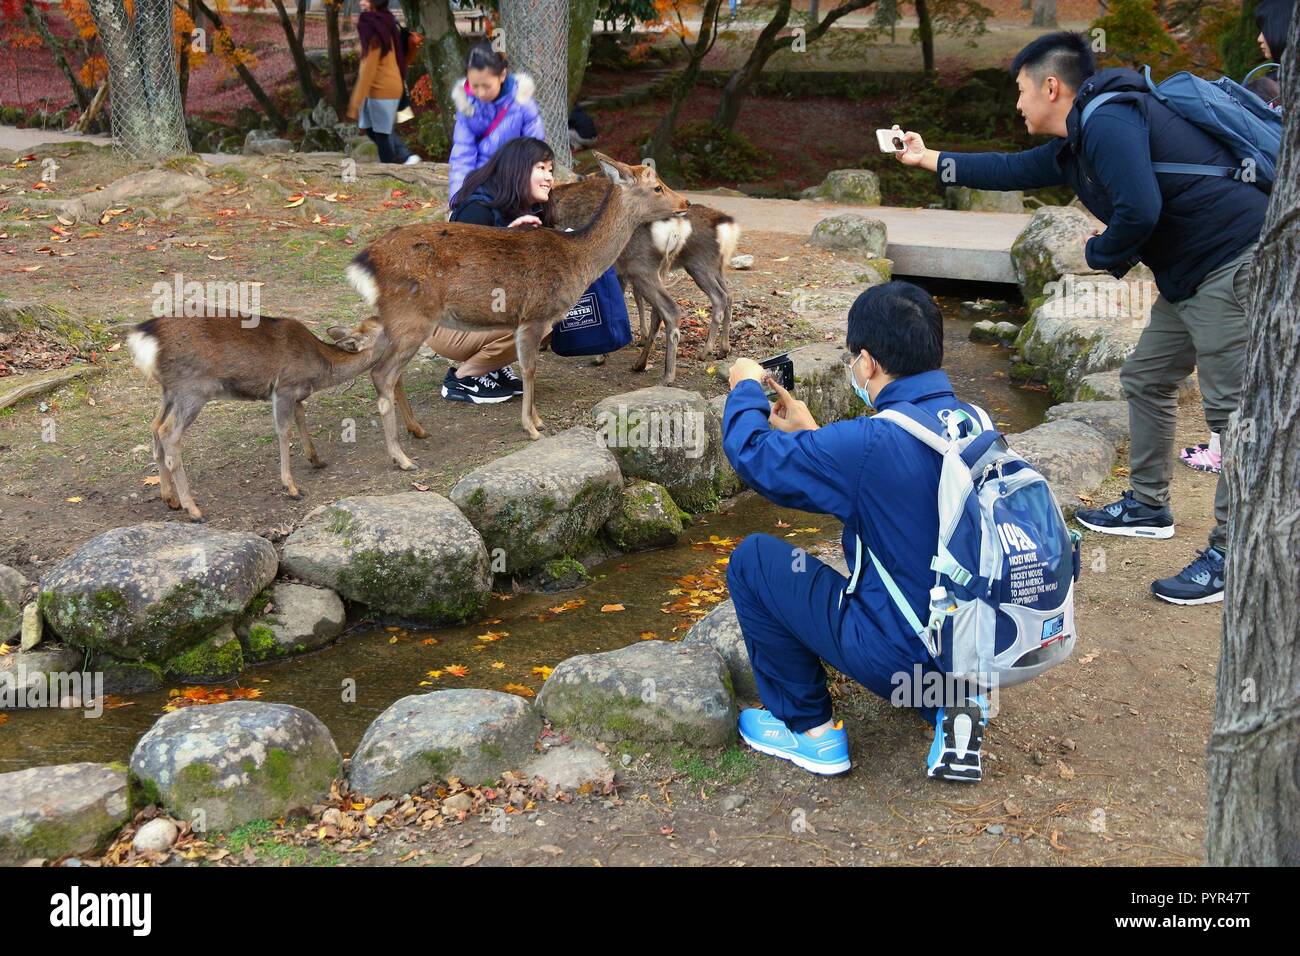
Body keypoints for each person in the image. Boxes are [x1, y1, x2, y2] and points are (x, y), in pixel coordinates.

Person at [892, 31, 1268, 606]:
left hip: (1229, 262)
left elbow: (1141, 208)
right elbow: (1011, 169)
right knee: (1145, 378)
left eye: (1019, 90)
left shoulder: (1110, 120)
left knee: (1230, 413)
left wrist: (1099, 253)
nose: (1017, 104)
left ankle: (1236, 552)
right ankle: (1147, 505)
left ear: (1051, 86)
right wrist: (930, 159)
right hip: (1189, 274)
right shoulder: (1077, 140)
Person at [723, 281, 991, 782]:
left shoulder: (870, 443)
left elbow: (755, 458)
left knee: (754, 559)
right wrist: (814, 438)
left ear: (866, 362)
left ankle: (810, 733)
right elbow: (891, 491)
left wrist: (743, 388)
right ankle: (954, 705)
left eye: (853, 359)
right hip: (982, 649)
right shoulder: (972, 421)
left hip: (899, 656)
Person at [430, 136, 558, 404]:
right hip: (444, 320)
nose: (549, 178)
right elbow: (461, 282)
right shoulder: (478, 210)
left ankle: (493, 367)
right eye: (541, 168)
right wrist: (506, 240)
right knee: (540, 320)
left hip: (480, 314)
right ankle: (463, 379)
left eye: (551, 170)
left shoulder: (532, 211)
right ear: (518, 169)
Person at [448, 42, 546, 205]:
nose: (480, 92)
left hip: (515, 183)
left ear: (502, 75)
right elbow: (462, 156)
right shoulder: (467, 106)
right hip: (480, 183)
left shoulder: (522, 103)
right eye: (475, 86)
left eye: (486, 86)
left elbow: (535, 152)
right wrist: (458, 201)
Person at [346, 0, 421, 166]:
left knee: (381, 133)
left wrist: (354, 102)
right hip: (384, 84)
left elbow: (369, 68)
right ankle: (404, 157)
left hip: (382, 87)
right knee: (372, 129)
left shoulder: (372, 27)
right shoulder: (385, 19)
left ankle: (393, 167)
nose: (361, 2)